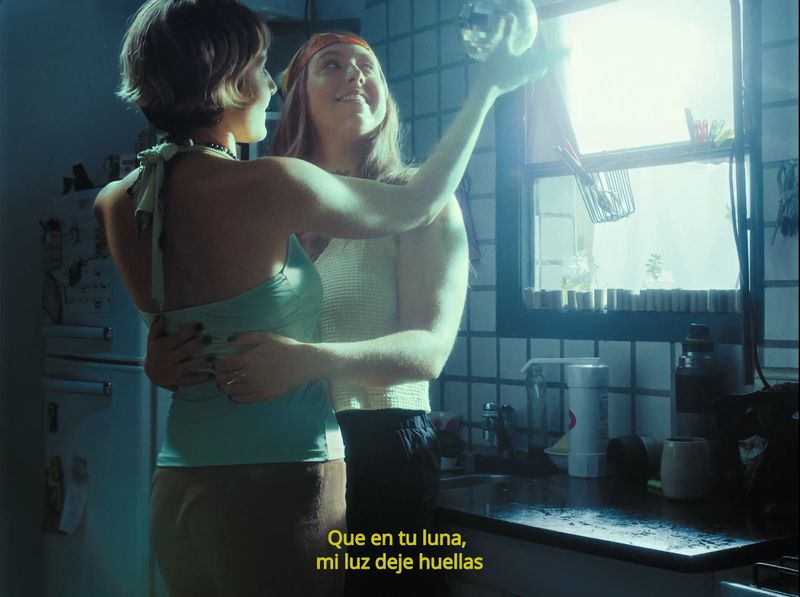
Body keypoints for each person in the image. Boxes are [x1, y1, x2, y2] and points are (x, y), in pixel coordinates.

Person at [139, 21, 559, 597]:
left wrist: (311, 361)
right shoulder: (270, 198)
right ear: (294, 95)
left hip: (384, 448)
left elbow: (430, 351)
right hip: (281, 456)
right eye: (331, 65)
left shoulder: (425, 203)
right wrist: (162, 359)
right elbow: (226, 325)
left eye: (368, 68)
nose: (355, 75)